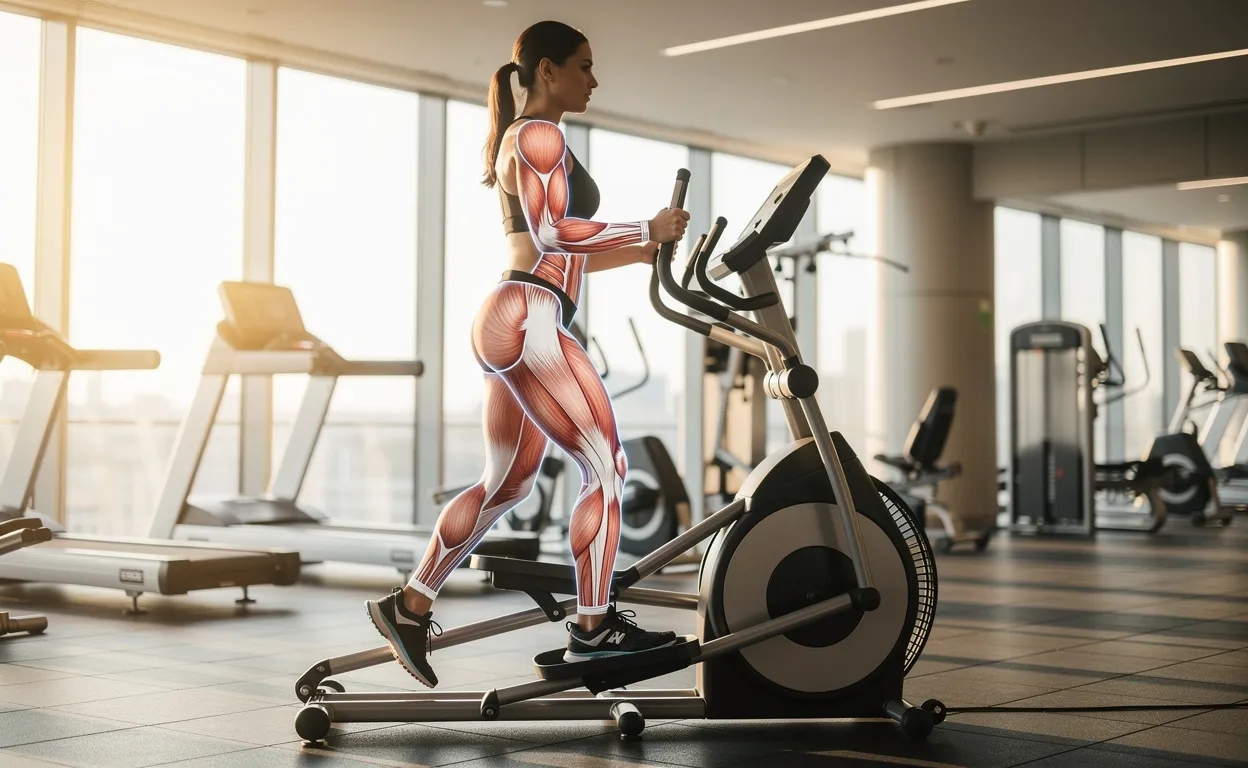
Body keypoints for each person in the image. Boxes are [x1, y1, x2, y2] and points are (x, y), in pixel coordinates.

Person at [366, 20, 689, 688]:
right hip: (529, 311)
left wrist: (645, 251)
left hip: (512, 312)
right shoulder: (540, 134)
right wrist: (645, 224)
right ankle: (594, 629)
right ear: (548, 70)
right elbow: (550, 231)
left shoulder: (529, 137)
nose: (593, 80)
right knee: (607, 465)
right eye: (584, 66)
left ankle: (410, 604)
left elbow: (558, 249)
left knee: (508, 483)